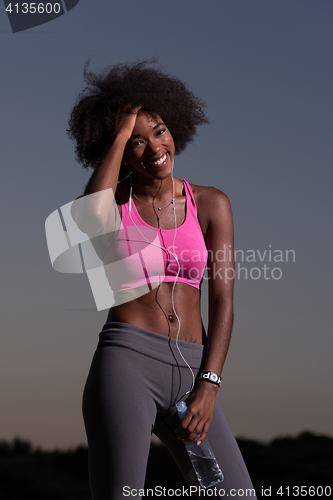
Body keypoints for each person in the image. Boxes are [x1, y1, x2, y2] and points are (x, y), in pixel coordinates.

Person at [68, 61, 257, 500]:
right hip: (127, 364)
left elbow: (223, 302)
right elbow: (85, 219)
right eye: (136, 141)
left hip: (193, 371)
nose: (154, 146)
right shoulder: (112, 205)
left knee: (237, 494)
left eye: (159, 130)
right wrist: (118, 131)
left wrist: (209, 384)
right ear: (119, 152)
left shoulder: (211, 203)